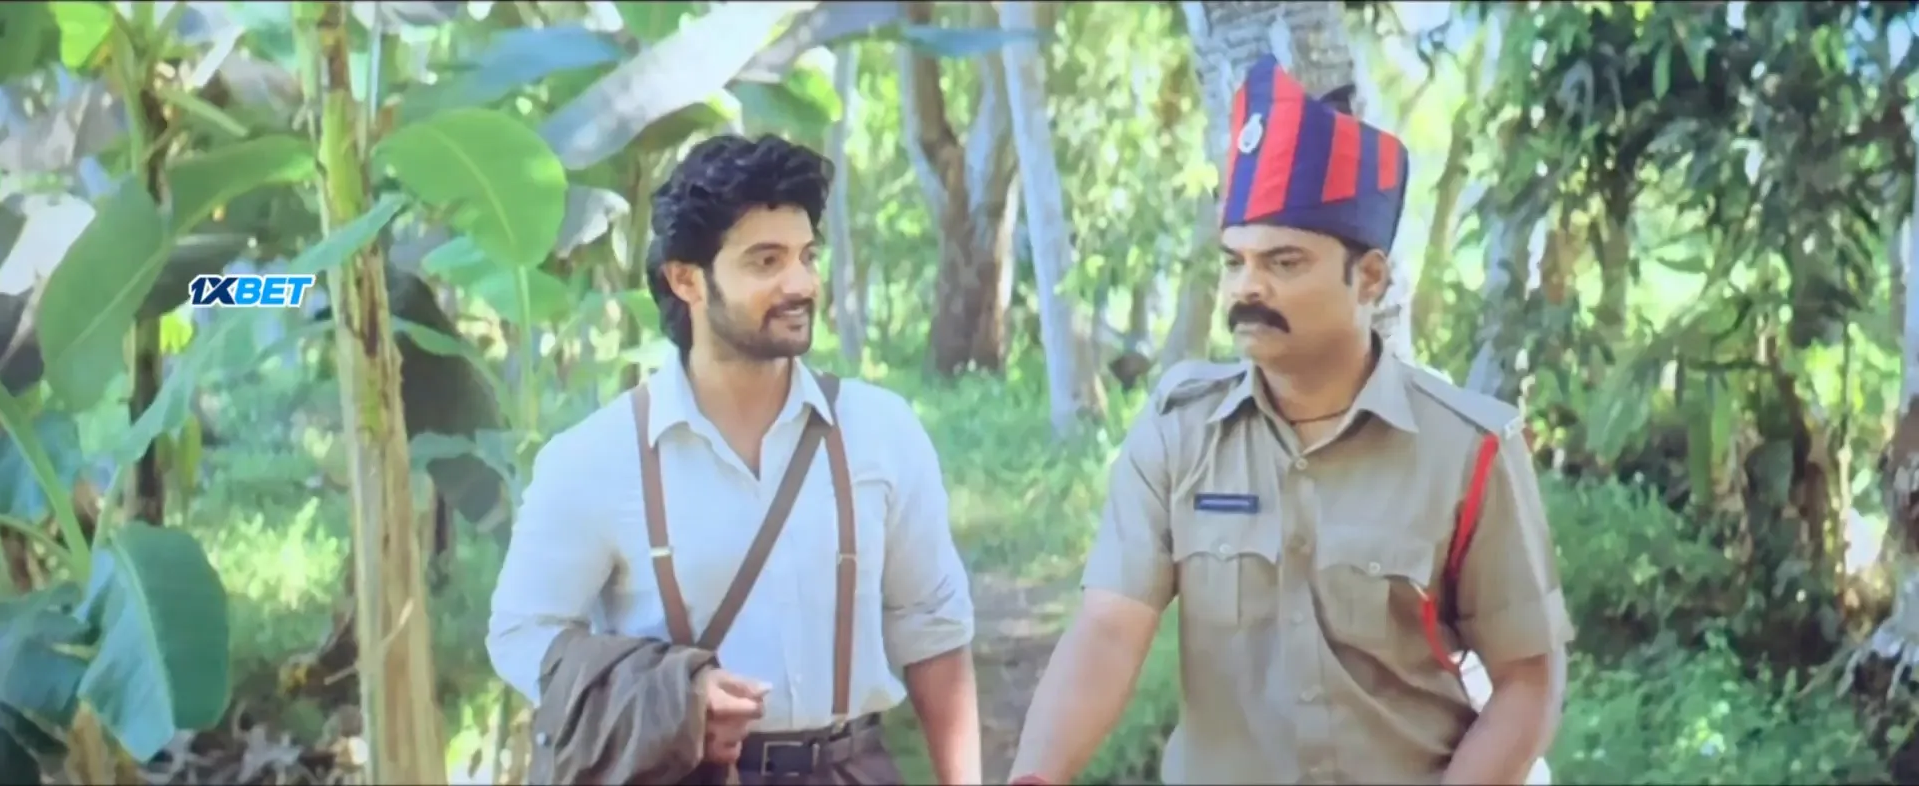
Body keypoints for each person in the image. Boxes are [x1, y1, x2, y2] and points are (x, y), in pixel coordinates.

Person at [1006, 55, 1573, 785]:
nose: (1248, 288)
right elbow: (1109, 632)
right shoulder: (1181, 431)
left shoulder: (1468, 451)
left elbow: (1527, 683)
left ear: (1369, 279)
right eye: (1234, 261)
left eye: (1284, 262)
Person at [487, 134, 982, 785]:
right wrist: (669, 699)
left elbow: (934, 631)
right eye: (766, 261)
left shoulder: (880, 432)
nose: (800, 283)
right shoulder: (595, 460)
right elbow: (521, 635)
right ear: (686, 279)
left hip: (851, 770)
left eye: (807, 256)